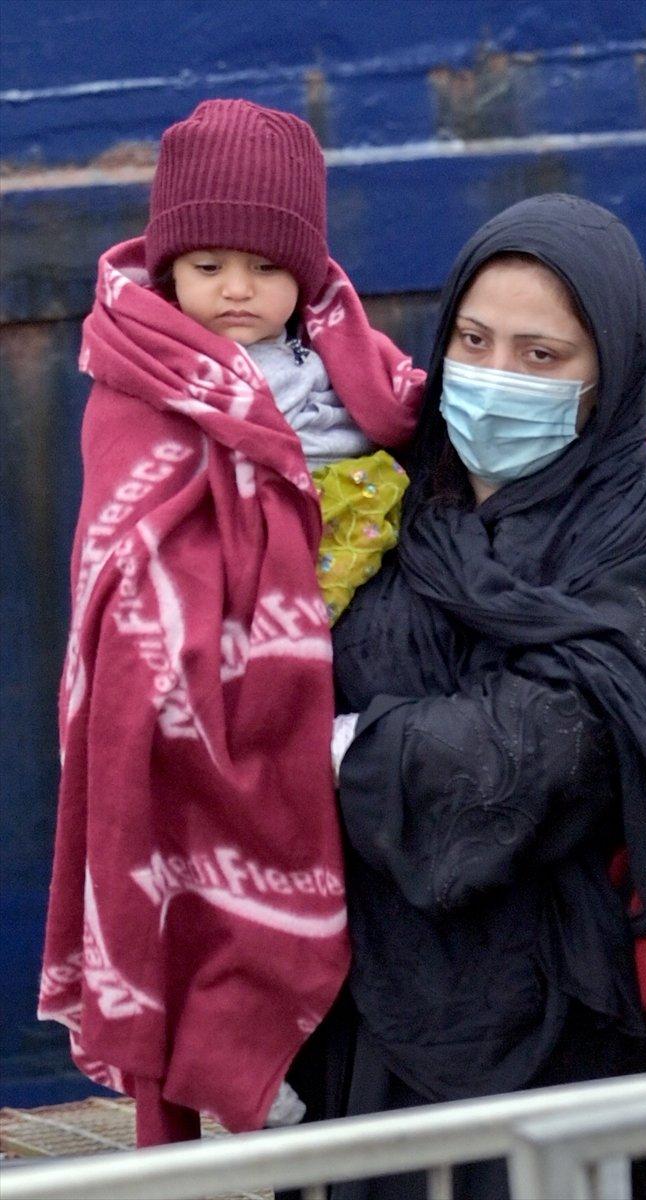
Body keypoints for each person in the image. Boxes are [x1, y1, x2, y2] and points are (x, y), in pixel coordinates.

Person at [284, 194, 646, 1200]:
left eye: (542, 357)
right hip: (361, 1004)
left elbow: (540, 755)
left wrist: (324, 749)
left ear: (609, 371)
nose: (493, 379)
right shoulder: (389, 498)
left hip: (548, 1021)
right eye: (473, 339)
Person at [37, 99, 423, 1147]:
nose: (235, 290)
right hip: (184, 672)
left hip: (334, 666)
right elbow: (122, 552)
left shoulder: (358, 376)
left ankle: (278, 1043)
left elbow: (401, 436)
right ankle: (225, 1053)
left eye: (263, 264)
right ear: (168, 270)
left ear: (307, 271)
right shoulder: (136, 376)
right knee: (186, 805)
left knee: (308, 827)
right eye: (205, 264)